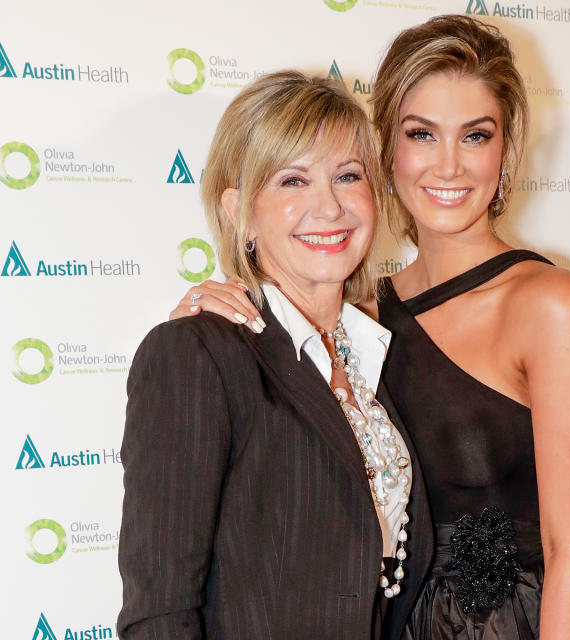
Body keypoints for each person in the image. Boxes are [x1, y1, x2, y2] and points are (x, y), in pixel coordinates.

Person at [168, 16, 570, 640]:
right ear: (385, 147)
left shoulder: (550, 304)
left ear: (505, 149)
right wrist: (206, 315)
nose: (449, 165)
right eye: (421, 134)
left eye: (476, 135)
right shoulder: (361, 319)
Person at [118, 71, 433, 640]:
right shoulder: (196, 353)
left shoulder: (377, 355)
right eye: (292, 181)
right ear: (238, 210)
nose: (329, 207)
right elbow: (159, 614)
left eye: (347, 175)